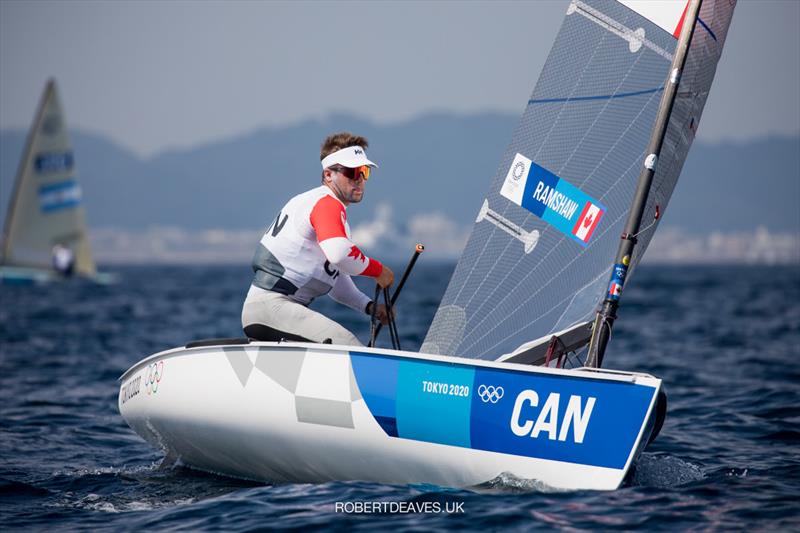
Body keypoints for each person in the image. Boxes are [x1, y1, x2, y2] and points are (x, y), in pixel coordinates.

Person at [241, 132, 394, 346]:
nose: (359, 179)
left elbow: (336, 279)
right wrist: (379, 271)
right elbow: (340, 254)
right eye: (352, 171)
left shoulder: (321, 207)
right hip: (273, 307)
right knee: (349, 345)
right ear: (328, 174)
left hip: (271, 311)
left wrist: (369, 306)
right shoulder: (326, 204)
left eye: (364, 171)